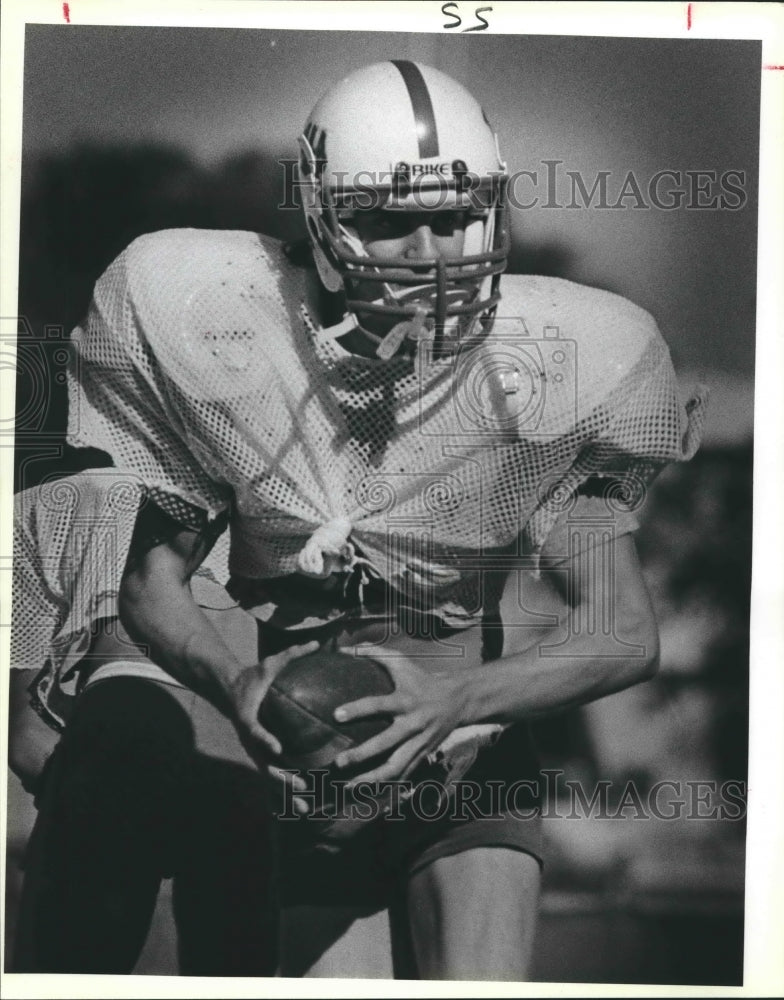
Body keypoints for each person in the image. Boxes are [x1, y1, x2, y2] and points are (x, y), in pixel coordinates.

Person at [9, 60, 705, 980]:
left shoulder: (564, 365)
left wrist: (455, 702)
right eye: (385, 218)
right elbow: (152, 583)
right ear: (320, 217)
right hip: (277, 720)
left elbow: (623, 631)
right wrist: (232, 681)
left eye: (454, 217)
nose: (430, 250)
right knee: (117, 770)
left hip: (455, 734)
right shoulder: (218, 322)